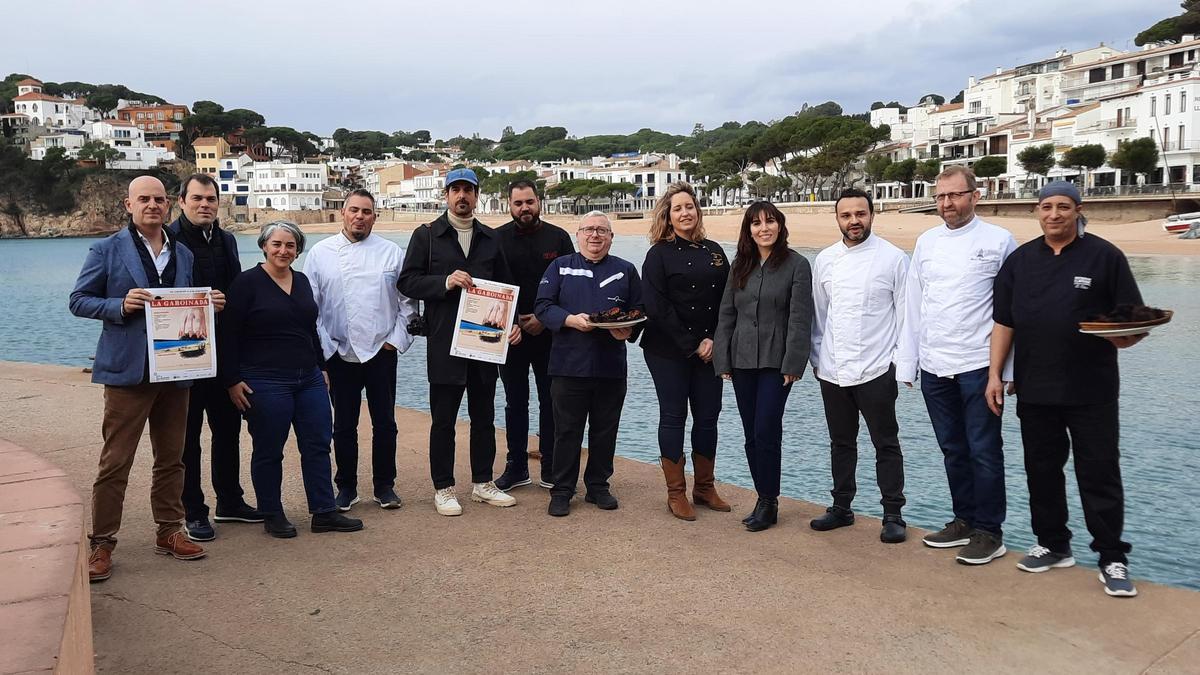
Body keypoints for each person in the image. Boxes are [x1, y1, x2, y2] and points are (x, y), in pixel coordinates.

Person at [987, 181, 1146, 597]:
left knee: (1099, 473)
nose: (1054, 214)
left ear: (1078, 209)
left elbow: (1132, 320)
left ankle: (1111, 557)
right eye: (1046, 207)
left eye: (1062, 207)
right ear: (1037, 212)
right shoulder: (1020, 262)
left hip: (1092, 390)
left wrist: (1124, 336)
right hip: (1035, 387)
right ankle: (1053, 544)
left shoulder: (1105, 256)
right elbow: (1004, 322)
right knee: (1041, 471)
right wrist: (994, 375)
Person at [69, 176, 209, 582]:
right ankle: (102, 542)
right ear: (128, 205)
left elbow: (185, 304)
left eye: (159, 199)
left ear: (169, 205)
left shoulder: (183, 253)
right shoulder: (106, 249)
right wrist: (119, 304)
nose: (152, 205)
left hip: (176, 369)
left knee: (172, 458)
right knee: (116, 461)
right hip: (128, 372)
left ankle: (169, 531)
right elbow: (79, 300)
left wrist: (208, 305)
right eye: (143, 199)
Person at [896, 166, 1016, 565]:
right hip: (935, 365)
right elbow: (914, 304)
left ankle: (990, 531)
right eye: (941, 196)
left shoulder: (1000, 240)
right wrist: (908, 363)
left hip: (980, 365)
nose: (947, 203)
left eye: (955, 195)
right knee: (952, 448)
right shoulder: (927, 241)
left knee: (984, 450)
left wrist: (1007, 371)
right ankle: (964, 520)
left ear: (975, 196)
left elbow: (1011, 310)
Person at [220, 221, 363, 538]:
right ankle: (272, 513)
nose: (283, 251)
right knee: (269, 448)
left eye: (290, 245)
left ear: (298, 251)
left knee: (318, 444)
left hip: (308, 377)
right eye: (277, 244)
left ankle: (324, 511)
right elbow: (228, 334)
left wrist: (321, 367)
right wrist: (231, 380)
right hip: (265, 379)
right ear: (264, 246)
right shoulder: (246, 283)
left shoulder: (301, 281)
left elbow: (310, 329)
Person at [398, 168, 521, 516]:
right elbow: (407, 282)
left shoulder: (491, 238)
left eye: (468, 190)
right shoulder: (426, 236)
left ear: (477, 195)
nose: (462, 196)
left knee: (484, 418)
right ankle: (443, 488)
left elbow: (507, 287)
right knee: (444, 421)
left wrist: (512, 324)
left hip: (484, 344)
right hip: (444, 344)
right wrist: (445, 282)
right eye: (456, 190)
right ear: (446, 195)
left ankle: (483, 483)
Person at [305, 189, 417, 512]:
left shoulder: (391, 252)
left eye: (366, 212)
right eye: (354, 210)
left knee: (385, 423)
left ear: (374, 217)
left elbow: (408, 304)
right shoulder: (320, 253)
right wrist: (325, 348)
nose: (359, 216)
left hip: (381, 350)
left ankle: (385, 486)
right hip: (339, 352)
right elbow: (311, 307)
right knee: (343, 425)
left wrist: (394, 341)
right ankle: (346, 487)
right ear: (343, 213)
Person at [808, 189, 909, 543]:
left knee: (886, 443)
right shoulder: (825, 260)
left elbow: (905, 316)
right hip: (832, 370)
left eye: (860, 214)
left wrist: (898, 364)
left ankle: (893, 514)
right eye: (847, 215)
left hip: (877, 369)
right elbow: (819, 316)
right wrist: (818, 361)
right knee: (841, 442)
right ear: (837, 219)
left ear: (872, 215)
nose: (854, 221)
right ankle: (841, 507)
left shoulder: (893, 259)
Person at [166, 174, 261, 542]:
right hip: (184, 354)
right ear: (182, 201)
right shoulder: (169, 239)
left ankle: (230, 501)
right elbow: (163, 295)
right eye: (197, 198)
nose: (204, 205)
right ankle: (193, 510)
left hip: (223, 353)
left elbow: (236, 292)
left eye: (210, 199)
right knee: (188, 437)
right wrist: (203, 301)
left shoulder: (226, 240)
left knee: (228, 430)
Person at [535, 211, 643, 517]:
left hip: (610, 366)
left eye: (601, 230)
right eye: (589, 230)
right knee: (566, 431)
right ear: (578, 235)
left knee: (605, 430)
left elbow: (639, 310)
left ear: (611, 237)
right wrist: (570, 319)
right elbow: (542, 306)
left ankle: (598, 486)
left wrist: (628, 330)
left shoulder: (625, 270)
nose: (595, 235)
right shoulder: (560, 267)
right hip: (568, 365)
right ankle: (562, 490)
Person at [713, 201, 813, 532]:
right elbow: (727, 313)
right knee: (750, 434)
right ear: (749, 230)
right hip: (742, 360)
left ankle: (769, 501)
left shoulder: (797, 265)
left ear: (780, 226)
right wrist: (723, 359)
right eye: (756, 223)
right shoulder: (740, 265)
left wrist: (794, 363)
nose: (764, 228)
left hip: (776, 362)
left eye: (770, 221)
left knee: (766, 429)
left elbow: (800, 318)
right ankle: (762, 496)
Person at [640, 182, 731, 521]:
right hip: (667, 350)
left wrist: (716, 340)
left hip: (710, 349)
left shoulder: (715, 251)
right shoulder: (658, 254)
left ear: (697, 210)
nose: (685, 213)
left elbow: (728, 301)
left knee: (708, 416)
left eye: (689, 206)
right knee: (674, 415)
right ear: (668, 216)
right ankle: (676, 493)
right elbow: (657, 306)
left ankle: (704, 487)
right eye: (677, 208)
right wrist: (693, 344)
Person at [494, 179, 574, 491]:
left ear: (538, 202)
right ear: (509, 205)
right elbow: (489, 285)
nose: (524, 208)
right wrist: (511, 322)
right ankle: (516, 466)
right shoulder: (496, 239)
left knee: (551, 400)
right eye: (518, 203)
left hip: (550, 335)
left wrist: (544, 318)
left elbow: (571, 285)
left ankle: (551, 466)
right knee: (515, 402)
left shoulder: (559, 237)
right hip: (511, 335)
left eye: (529, 202)